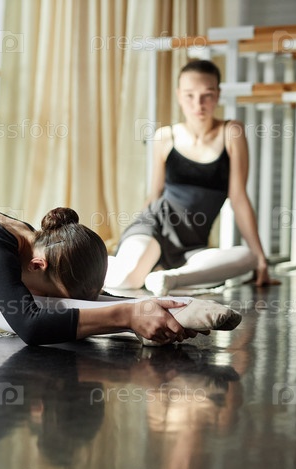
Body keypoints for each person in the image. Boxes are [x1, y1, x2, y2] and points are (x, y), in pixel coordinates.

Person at [0, 200, 241, 347]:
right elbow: (31, 328)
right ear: (38, 264)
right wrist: (126, 315)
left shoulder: (36, 242)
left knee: (28, 297)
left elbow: (66, 296)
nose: (49, 294)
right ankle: (144, 314)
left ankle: (168, 307)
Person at [105, 59, 277, 296]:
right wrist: (133, 238)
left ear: (218, 95)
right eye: (189, 95)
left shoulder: (232, 133)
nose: (198, 104)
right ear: (178, 95)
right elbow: (154, 195)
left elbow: (238, 198)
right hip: (154, 226)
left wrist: (262, 260)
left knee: (248, 257)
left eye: (207, 95)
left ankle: (167, 276)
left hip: (192, 245)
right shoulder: (165, 137)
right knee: (128, 278)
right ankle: (105, 263)